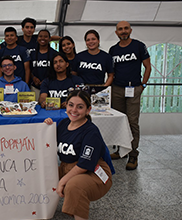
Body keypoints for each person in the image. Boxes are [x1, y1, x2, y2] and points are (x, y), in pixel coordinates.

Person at [44, 90, 113, 220]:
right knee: (42, 178)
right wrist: (46, 128)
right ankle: (40, 211)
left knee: (74, 185)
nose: (74, 110)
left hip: (94, 172)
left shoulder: (91, 132)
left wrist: (62, 181)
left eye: (80, 107)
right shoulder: (64, 124)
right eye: (71, 105)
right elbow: (49, 144)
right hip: (68, 168)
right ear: (66, 106)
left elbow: (84, 165)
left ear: (88, 110)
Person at [109, 21, 151, 170]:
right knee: (119, 121)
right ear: (116, 33)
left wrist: (143, 85)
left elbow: (148, 67)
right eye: (120, 29)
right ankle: (121, 150)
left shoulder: (139, 46)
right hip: (117, 89)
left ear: (130, 30)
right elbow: (111, 71)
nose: (123, 31)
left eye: (126, 28)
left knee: (132, 121)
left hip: (134, 89)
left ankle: (133, 154)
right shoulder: (113, 50)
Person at [30, 29, 58, 99]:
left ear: (49, 39)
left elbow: (57, 71)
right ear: (37, 38)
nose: (43, 38)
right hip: (34, 87)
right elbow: (28, 69)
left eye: (45, 36)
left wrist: (46, 80)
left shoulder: (54, 54)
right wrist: (33, 78)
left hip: (50, 87)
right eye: (40, 36)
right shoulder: (32, 53)